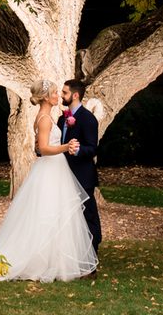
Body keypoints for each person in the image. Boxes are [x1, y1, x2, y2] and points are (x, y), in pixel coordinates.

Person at [0, 78, 97, 281]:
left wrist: (59, 147)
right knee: (49, 214)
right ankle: (42, 261)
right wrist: (65, 146)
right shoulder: (44, 119)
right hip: (51, 170)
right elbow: (43, 148)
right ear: (45, 97)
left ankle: (58, 260)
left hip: (55, 169)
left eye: (59, 92)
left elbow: (39, 148)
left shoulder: (49, 117)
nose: (57, 96)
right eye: (54, 92)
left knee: (57, 215)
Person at [60, 78, 102, 255]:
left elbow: (92, 148)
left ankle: (92, 252)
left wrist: (76, 150)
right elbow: (59, 143)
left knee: (87, 215)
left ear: (75, 95)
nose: (62, 95)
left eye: (65, 92)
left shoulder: (88, 119)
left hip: (83, 175)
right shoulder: (62, 118)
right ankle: (73, 252)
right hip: (63, 174)